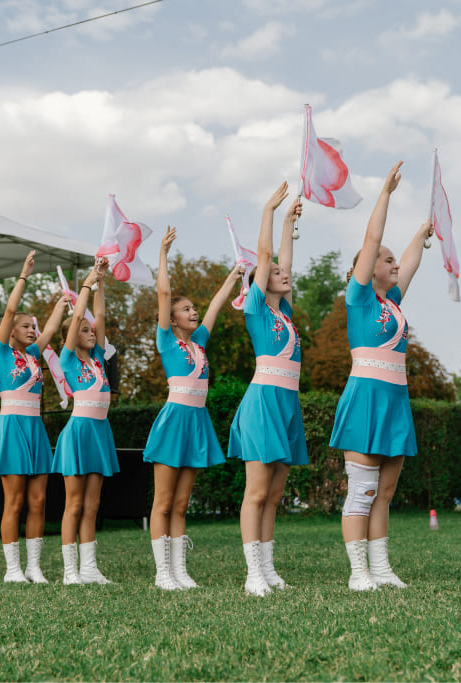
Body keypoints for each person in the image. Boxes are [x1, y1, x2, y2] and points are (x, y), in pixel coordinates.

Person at [329, 163, 434, 592]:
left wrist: (422, 232)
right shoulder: (359, 298)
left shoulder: (392, 303)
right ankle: (359, 572)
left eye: (393, 260)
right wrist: (386, 194)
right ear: (367, 267)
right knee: (362, 491)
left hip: (395, 399)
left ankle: (382, 568)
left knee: (385, 492)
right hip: (366, 398)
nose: (394, 264)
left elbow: (411, 264)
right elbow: (372, 240)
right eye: (386, 260)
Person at [143, 226, 243, 590]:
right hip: (174, 421)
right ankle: (162, 573)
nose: (194, 310)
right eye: (186, 309)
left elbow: (215, 305)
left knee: (183, 504)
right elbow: (163, 292)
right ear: (171, 320)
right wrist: (163, 255)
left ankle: (180, 570)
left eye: (192, 307)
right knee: (164, 501)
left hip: (197, 421)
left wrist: (234, 276)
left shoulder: (199, 342)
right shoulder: (166, 340)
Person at [228, 183, 306, 596]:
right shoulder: (256, 308)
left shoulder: (285, 311)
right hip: (262, 403)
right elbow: (265, 257)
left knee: (275, 494)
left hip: (287, 403)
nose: (282, 273)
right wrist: (269, 211)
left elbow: (283, 259)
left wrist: (289, 223)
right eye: (274, 273)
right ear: (259, 282)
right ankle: (252, 573)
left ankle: (269, 568)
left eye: (281, 272)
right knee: (256, 492)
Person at [0, 251, 69, 584]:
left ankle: (34, 566)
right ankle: (12, 569)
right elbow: (9, 311)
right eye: (25, 326)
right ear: (11, 331)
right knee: (15, 500)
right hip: (11, 428)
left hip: (34, 429)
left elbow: (51, 329)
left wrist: (63, 302)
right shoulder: (0, 352)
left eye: (33, 326)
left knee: (39, 500)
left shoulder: (34, 354)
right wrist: (23, 276)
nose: (32, 330)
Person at [53, 258, 119, 585]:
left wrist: (101, 282)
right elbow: (78, 315)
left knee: (92, 505)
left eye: (91, 330)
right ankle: (70, 571)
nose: (90, 331)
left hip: (100, 432)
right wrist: (87, 283)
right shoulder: (67, 358)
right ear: (70, 336)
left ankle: (90, 568)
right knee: (74, 503)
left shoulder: (98, 359)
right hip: (78, 433)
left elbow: (99, 316)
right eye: (83, 330)